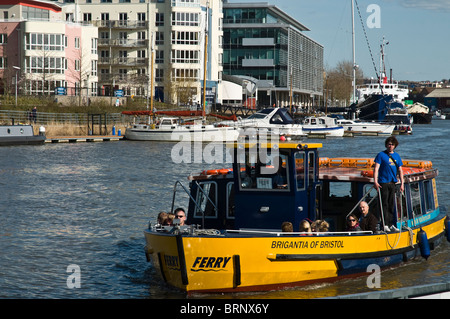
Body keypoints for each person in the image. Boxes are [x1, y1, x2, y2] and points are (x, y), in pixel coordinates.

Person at [374, 136, 404, 231]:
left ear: (395, 146)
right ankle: (384, 224)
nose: (390, 146)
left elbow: (400, 170)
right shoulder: (381, 155)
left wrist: (402, 183)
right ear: (386, 145)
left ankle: (391, 224)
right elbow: (376, 169)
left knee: (391, 204)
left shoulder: (397, 156)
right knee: (384, 204)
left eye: (392, 144)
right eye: (389, 144)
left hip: (392, 183)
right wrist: (375, 181)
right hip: (383, 182)